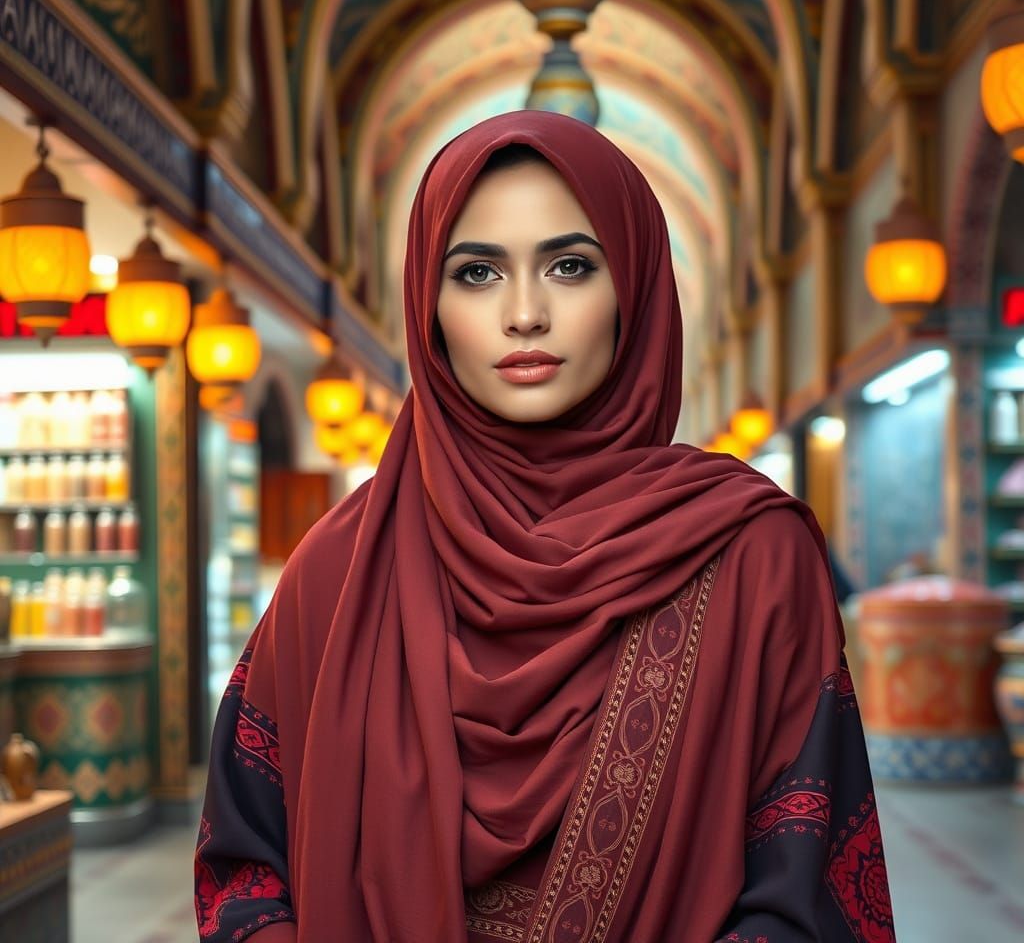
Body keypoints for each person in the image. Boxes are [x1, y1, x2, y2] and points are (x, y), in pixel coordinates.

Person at [195, 111, 896, 942]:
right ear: (429, 306)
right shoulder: (337, 574)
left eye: (569, 266)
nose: (524, 314)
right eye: (477, 273)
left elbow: (811, 895)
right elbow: (243, 872)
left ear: (634, 287)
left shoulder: (752, 555)